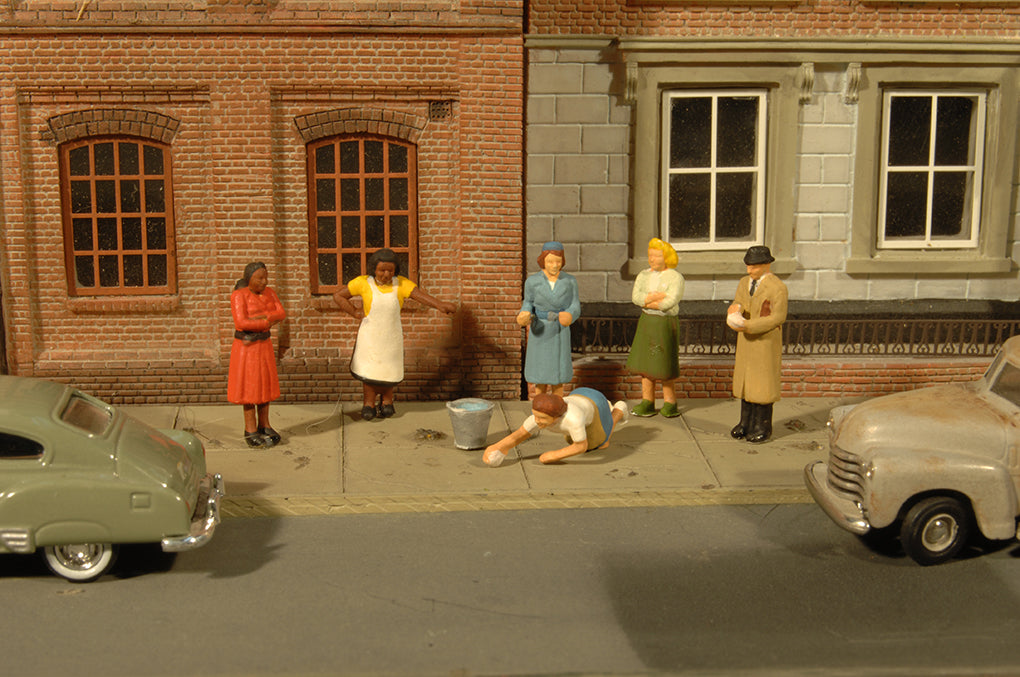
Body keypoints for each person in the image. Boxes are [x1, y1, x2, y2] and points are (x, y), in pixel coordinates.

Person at [333, 248, 456, 421]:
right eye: (382, 270)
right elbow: (338, 296)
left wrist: (440, 305)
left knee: (389, 368)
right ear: (374, 269)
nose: (386, 274)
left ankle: (387, 400)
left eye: (390, 270)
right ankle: (368, 402)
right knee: (369, 368)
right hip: (370, 336)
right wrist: (354, 312)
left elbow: (419, 296)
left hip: (391, 336)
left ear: (395, 270)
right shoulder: (363, 283)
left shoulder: (401, 284)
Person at [726, 245, 788, 443]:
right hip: (746, 342)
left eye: (753, 267)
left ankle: (762, 426)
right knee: (747, 384)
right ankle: (745, 422)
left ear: (766, 265)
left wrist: (749, 325)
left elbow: (778, 317)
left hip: (764, 342)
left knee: (762, 385)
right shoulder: (744, 282)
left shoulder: (777, 287)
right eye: (748, 266)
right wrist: (734, 310)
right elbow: (739, 301)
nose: (749, 270)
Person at [482, 388, 628, 467]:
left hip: (595, 403)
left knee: (599, 443)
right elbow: (521, 434)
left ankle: (618, 411)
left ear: (557, 417)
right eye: (535, 415)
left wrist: (553, 455)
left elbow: (581, 446)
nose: (537, 421)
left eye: (542, 418)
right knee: (571, 439)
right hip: (578, 394)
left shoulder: (573, 419)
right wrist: (500, 447)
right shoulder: (538, 417)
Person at [228, 261, 287, 448]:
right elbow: (241, 322)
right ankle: (250, 429)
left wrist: (264, 318)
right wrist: (264, 322)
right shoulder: (239, 296)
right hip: (247, 348)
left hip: (264, 346)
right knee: (250, 389)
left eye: (265, 277)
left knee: (265, 388)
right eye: (259, 278)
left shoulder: (270, 293)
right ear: (249, 279)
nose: (264, 281)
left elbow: (281, 313)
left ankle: (265, 425)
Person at [626, 238, 684, 418]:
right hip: (647, 321)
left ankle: (670, 403)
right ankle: (647, 401)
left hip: (664, 323)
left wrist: (650, 301)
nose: (652, 259)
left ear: (667, 257)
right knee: (646, 365)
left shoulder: (675, 277)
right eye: (650, 255)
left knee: (664, 365)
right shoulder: (643, 275)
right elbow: (636, 298)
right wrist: (655, 298)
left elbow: (670, 300)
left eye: (657, 256)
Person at [517, 242, 580, 396]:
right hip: (540, 329)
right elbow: (528, 303)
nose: (554, 265)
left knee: (558, 373)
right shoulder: (532, 282)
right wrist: (524, 313)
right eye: (550, 261)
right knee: (541, 372)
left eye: (558, 261)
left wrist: (570, 314)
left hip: (560, 329)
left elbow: (575, 305)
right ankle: (539, 403)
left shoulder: (570, 281)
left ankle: (558, 403)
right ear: (542, 261)